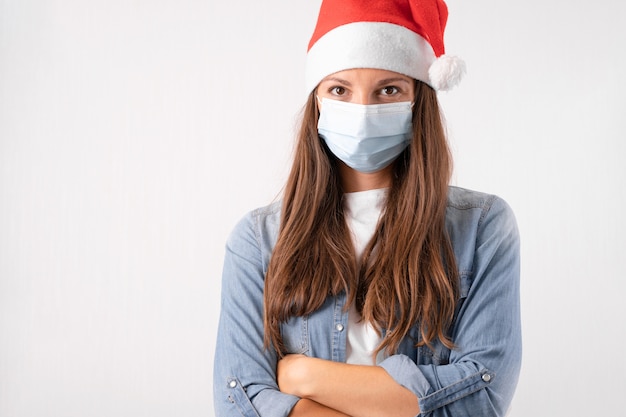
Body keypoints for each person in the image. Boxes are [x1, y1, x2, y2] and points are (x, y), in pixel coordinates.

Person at [213, 0, 522, 416]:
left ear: (418, 102)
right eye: (339, 89)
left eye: (389, 89)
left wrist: (306, 377)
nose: (362, 111)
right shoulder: (257, 240)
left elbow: (482, 398)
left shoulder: (482, 229)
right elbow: (238, 403)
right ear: (317, 101)